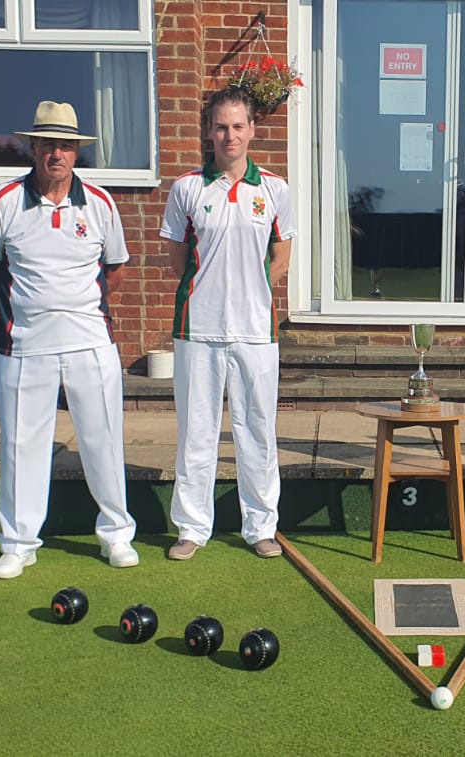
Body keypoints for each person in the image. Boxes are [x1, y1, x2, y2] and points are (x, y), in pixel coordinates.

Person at [0, 100, 138, 579]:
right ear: (33, 147)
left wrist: (77, 304)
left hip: (90, 341)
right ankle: (18, 543)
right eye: (47, 145)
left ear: (76, 152)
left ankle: (116, 534)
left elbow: (116, 269)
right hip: (24, 344)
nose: (56, 155)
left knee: (103, 440)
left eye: (65, 146)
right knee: (21, 444)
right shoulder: (3, 200)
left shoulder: (101, 203)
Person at [159, 88, 296, 560]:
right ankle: (192, 528)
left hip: (257, 332)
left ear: (253, 130)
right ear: (209, 131)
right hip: (198, 330)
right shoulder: (187, 188)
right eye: (221, 126)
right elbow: (179, 258)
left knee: (257, 432)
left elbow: (281, 256)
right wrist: (213, 290)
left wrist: (251, 289)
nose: (229, 135)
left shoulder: (275, 189)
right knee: (196, 433)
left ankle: (261, 526)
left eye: (238, 126)